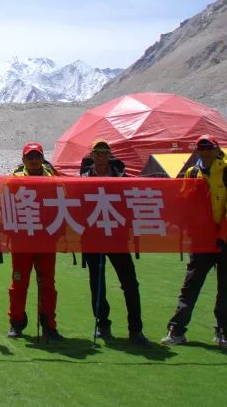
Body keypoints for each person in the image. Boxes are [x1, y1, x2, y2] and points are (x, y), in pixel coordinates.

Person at [162, 135, 227, 348]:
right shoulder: (192, 172)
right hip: (201, 240)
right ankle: (177, 330)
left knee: (226, 288)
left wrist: (222, 236)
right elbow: (184, 203)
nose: (205, 151)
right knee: (190, 286)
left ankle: (223, 333)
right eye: (201, 147)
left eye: (208, 147)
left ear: (216, 149)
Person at [80, 140, 151, 345]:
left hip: (118, 238)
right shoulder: (83, 179)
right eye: (97, 152)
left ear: (109, 155)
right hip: (93, 239)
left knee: (130, 283)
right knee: (97, 283)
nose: (101, 156)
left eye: (104, 152)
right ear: (92, 155)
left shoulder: (122, 177)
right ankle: (103, 325)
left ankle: (136, 329)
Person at [7, 142, 64, 341]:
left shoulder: (54, 179)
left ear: (42, 158)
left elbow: (61, 207)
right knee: (19, 283)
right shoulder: (13, 181)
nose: (33, 160)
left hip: (47, 240)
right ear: (23, 160)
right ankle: (16, 323)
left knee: (47, 284)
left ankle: (49, 324)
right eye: (29, 157)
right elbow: (6, 208)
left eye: (36, 156)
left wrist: (59, 233)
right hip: (22, 241)